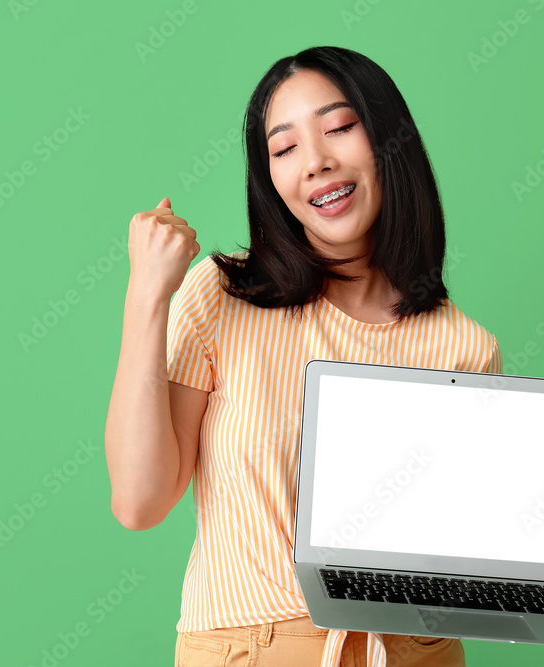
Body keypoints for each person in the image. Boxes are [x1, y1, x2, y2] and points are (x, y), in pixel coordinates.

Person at [105, 46, 501, 667]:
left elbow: (461, 551)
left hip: (416, 651)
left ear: (388, 141)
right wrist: (147, 295)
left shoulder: (465, 346)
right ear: (271, 181)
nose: (315, 162)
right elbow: (139, 501)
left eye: (340, 128)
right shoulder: (222, 297)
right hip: (253, 646)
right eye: (284, 149)